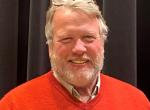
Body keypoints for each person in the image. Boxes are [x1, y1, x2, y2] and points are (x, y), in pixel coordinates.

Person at [0, 0, 149, 109]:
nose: (78, 49)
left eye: (88, 38)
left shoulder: (137, 102)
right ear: (50, 46)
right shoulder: (14, 105)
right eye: (66, 39)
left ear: (103, 42)